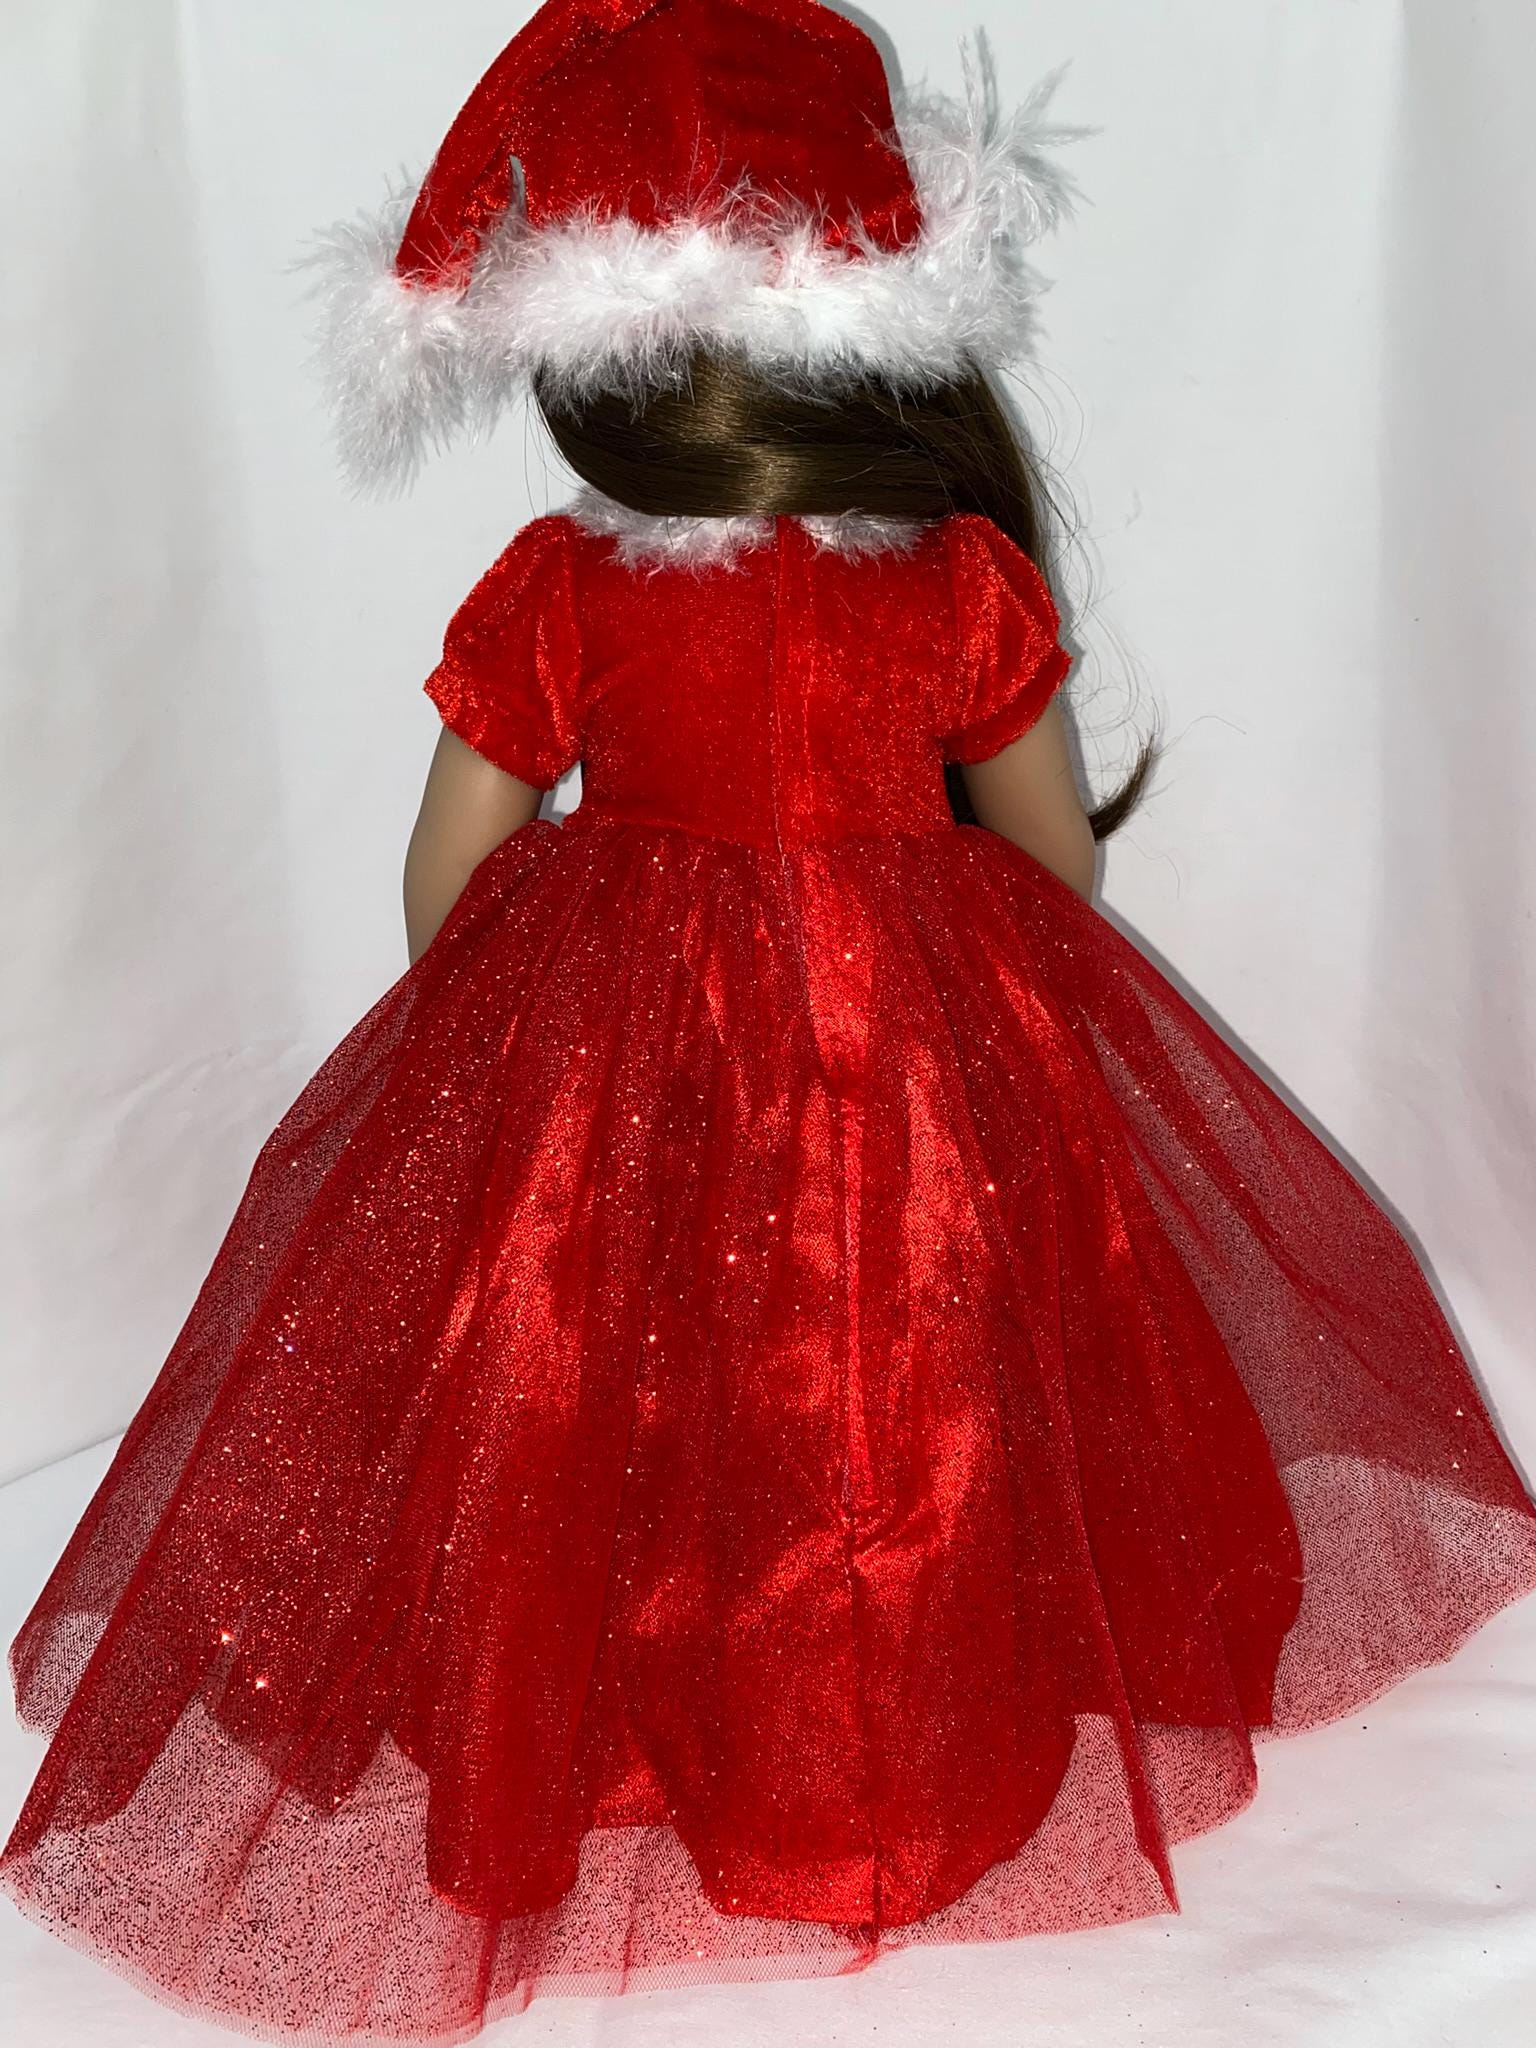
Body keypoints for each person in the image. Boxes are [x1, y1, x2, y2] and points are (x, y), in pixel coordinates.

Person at [4, 3, 1535, 2042]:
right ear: (879, 322)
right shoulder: (958, 584)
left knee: (612, 1390)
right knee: (926, 1383)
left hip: (616, 1060)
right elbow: (1055, 866)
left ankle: (632, 1715)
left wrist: (511, 1047)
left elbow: (446, 875)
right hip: (915, 1060)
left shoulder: (562, 586)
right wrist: (956, 979)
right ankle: (914, 1734)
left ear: (594, 349)